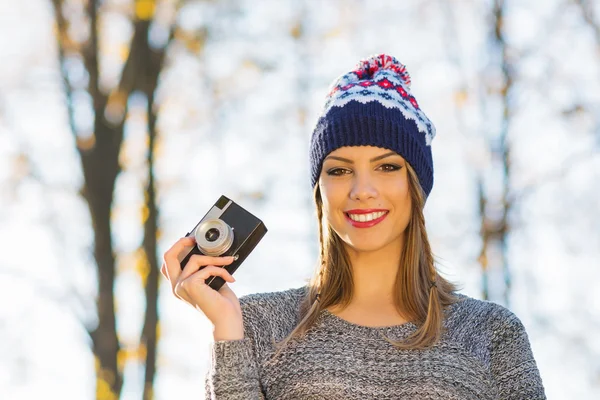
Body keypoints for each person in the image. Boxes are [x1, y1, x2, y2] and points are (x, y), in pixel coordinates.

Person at [161, 53, 546, 399]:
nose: (362, 190)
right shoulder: (256, 325)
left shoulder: (491, 332)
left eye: (387, 167)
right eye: (340, 170)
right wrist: (227, 327)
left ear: (417, 187)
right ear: (320, 191)